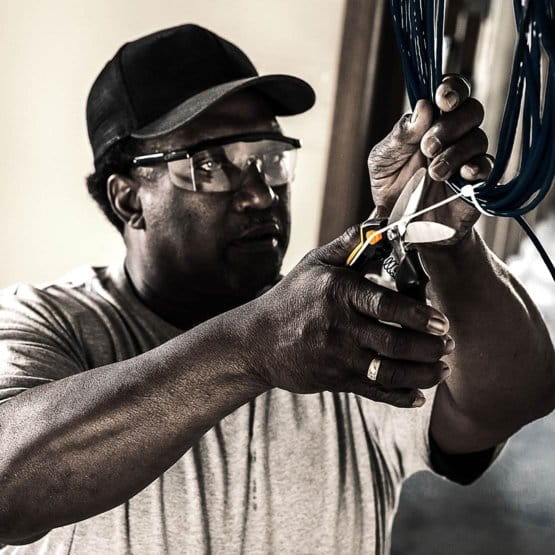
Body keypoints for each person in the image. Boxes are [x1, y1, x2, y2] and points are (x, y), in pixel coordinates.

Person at [0, 24, 553, 555]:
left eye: (268, 158)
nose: (261, 194)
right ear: (128, 200)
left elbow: (515, 398)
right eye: (210, 164)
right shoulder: (47, 320)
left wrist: (448, 245)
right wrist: (253, 348)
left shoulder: (343, 321)